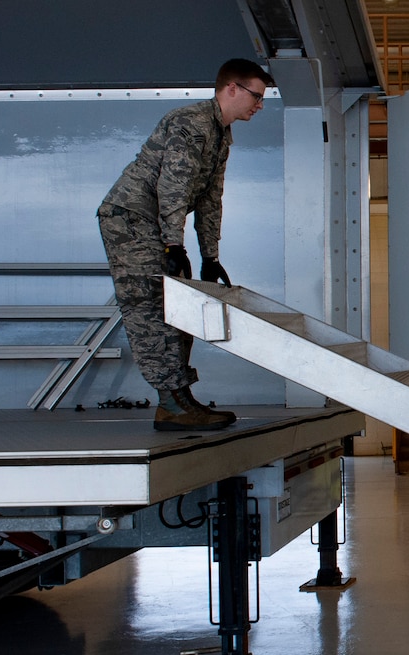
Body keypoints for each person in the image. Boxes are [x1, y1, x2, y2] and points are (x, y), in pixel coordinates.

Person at [97, 58, 274, 431]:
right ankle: (171, 403)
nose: (259, 105)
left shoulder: (220, 134)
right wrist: (173, 246)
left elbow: (210, 199)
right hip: (130, 220)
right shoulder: (191, 123)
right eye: (256, 96)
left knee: (181, 305)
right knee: (152, 306)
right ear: (232, 89)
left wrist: (210, 256)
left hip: (155, 225)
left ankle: (178, 398)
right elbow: (172, 187)